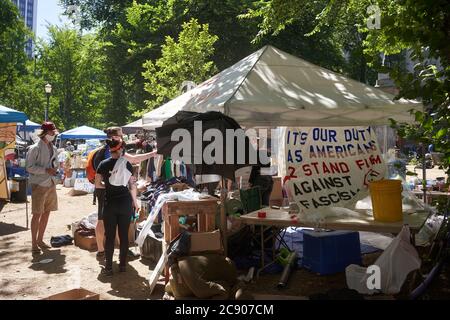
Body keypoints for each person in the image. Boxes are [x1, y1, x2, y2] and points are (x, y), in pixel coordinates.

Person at [93, 127, 157, 259]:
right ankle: (106, 250)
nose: (123, 137)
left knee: (106, 220)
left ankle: (108, 249)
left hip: (103, 190)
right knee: (103, 221)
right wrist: (152, 154)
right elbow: (133, 160)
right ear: (115, 137)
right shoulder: (114, 149)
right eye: (121, 135)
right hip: (109, 191)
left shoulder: (106, 148)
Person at [95, 138, 139, 275]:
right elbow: (132, 186)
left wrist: (107, 185)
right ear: (120, 149)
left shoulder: (102, 164)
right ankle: (122, 266)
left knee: (109, 235)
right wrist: (135, 202)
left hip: (110, 203)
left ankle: (108, 267)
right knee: (124, 235)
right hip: (125, 202)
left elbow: (97, 185)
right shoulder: (127, 164)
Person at [25, 122, 59, 255]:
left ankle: (40, 240)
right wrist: (46, 170)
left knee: (47, 212)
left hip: (51, 183)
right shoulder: (34, 148)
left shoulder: (54, 148)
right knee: (37, 214)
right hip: (39, 184)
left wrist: (56, 168)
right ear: (45, 132)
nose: (54, 135)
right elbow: (29, 167)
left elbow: (54, 163)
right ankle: (34, 244)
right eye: (52, 132)